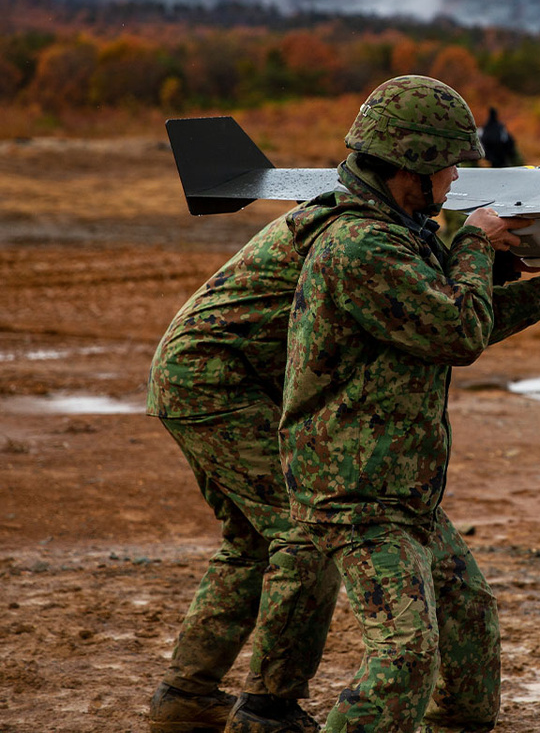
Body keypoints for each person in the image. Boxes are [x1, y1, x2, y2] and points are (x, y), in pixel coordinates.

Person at [278, 75, 540, 732]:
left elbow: (460, 320)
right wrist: (474, 242)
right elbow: (459, 331)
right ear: (408, 166)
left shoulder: (396, 234)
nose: (455, 179)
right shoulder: (361, 245)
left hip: (399, 484)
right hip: (354, 491)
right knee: (405, 657)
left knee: (466, 619)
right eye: (447, 166)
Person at [146, 212, 343, 732]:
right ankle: (267, 710)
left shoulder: (344, 210)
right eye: (446, 171)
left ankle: (185, 698)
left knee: (251, 541)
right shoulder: (355, 225)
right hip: (217, 381)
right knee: (308, 532)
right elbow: (433, 320)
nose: (454, 176)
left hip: (200, 374)